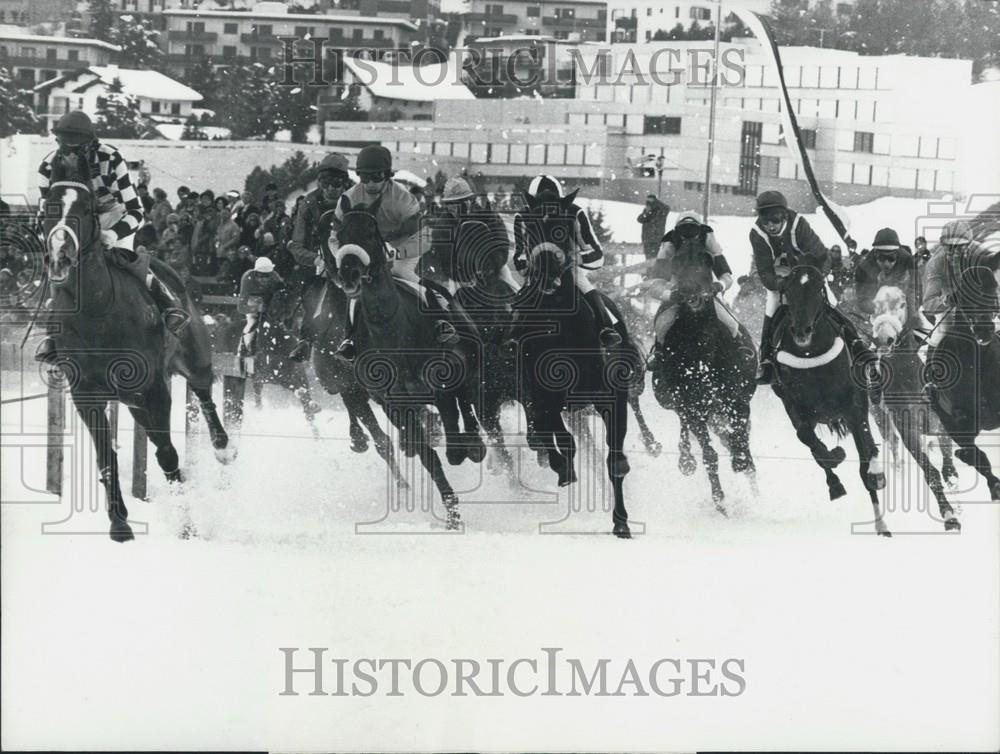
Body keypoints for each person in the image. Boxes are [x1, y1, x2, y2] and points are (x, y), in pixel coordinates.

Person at [34, 111, 188, 363]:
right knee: (58, 267)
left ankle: (168, 304)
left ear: (90, 144)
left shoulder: (111, 157)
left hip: (113, 214)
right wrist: (52, 243)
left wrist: (112, 234)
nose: (70, 154)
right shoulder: (47, 166)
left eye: (77, 147)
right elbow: (46, 213)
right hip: (74, 220)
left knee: (123, 258)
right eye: (65, 145)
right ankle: (53, 333)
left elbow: (136, 210)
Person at [749, 190, 872, 385]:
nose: (771, 226)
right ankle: (766, 360)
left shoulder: (799, 224)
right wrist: (781, 284)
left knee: (832, 303)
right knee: (771, 311)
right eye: (766, 221)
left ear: (783, 215)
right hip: (781, 278)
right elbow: (765, 272)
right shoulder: (757, 234)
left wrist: (814, 278)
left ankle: (856, 346)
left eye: (775, 220)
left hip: (809, 274)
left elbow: (822, 256)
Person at [331, 145, 424, 362]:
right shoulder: (349, 198)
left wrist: (398, 252)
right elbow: (335, 236)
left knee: (407, 278)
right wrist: (344, 256)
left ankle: (440, 324)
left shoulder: (402, 198)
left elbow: (420, 234)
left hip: (403, 250)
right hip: (367, 255)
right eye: (366, 177)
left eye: (377, 177)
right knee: (356, 290)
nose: (371, 183)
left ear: (388, 174)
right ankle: (350, 339)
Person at [513, 174, 622, 348]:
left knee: (582, 283)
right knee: (518, 302)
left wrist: (575, 258)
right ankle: (511, 339)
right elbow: (520, 254)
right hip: (538, 270)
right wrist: (529, 263)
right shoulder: (523, 216)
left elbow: (597, 254)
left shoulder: (574, 212)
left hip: (568, 267)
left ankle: (605, 327)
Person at [287, 152, 353, 361]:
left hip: (353, 257)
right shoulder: (308, 203)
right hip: (321, 261)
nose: (333, 189)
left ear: (345, 183)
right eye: (328, 183)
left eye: (338, 183)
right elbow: (297, 244)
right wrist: (315, 259)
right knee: (315, 297)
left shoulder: (355, 198)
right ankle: (306, 340)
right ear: (321, 183)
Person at [644, 212, 740, 351]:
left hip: (708, 295)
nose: (689, 235)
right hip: (677, 296)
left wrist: (719, 285)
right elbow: (655, 285)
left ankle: (738, 352)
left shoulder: (711, 249)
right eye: (684, 229)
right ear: (677, 231)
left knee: (732, 325)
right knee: (663, 326)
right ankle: (659, 354)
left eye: (692, 229)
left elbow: (727, 277)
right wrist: (669, 295)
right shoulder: (668, 249)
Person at [432, 175, 517, 290]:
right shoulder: (443, 225)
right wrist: (461, 276)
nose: (451, 208)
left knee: (513, 288)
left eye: (456, 203)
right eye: (448, 204)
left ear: (469, 201)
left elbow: (501, 245)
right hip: (459, 275)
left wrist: (491, 267)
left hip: (492, 270)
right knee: (448, 300)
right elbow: (443, 257)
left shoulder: (489, 217)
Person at [854, 228, 920, 323]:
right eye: (882, 258)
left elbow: (916, 290)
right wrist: (882, 307)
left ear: (897, 254)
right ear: (875, 254)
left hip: (902, 306)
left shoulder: (908, 260)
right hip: (878, 309)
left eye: (891, 258)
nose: (886, 264)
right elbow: (862, 301)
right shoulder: (863, 268)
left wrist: (908, 313)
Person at [236, 255, 285, 358]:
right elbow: (241, 307)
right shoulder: (247, 278)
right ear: (255, 273)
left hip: (270, 299)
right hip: (253, 300)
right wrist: (256, 308)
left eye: (267, 276)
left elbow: (282, 297)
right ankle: (244, 349)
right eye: (261, 276)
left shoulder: (276, 278)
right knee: (252, 322)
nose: (264, 279)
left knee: (276, 322)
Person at [637, 193, 670, 259]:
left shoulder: (660, 210)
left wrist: (655, 204)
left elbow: (667, 208)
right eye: (647, 201)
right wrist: (647, 212)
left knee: (655, 260)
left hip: (656, 239)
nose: (648, 203)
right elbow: (639, 219)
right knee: (648, 260)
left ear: (655, 201)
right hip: (647, 239)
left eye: (650, 201)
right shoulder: (647, 210)